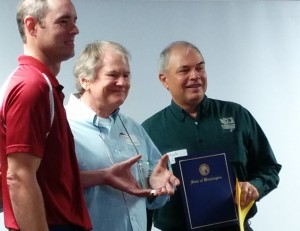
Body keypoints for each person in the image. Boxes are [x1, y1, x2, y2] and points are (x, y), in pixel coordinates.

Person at [142, 41, 282, 231]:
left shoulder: (237, 115)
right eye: (184, 70)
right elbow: (141, 196)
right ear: (164, 79)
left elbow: (269, 167)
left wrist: (255, 186)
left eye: (200, 68)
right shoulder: (149, 130)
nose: (195, 76)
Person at [65, 40, 180, 231]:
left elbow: (153, 188)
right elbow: (47, 189)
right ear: (84, 80)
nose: (123, 82)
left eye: (126, 75)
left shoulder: (133, 127)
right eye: (113, 75)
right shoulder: (62, 126)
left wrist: (156, 185)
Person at [0, 0, 92, 230]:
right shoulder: (32, 87)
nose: (75, 29)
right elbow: (19, 177)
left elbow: (50, 176)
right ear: (31, 26)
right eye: (63, 21)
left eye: (75, 21)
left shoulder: (40, 84)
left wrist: (104, 175)